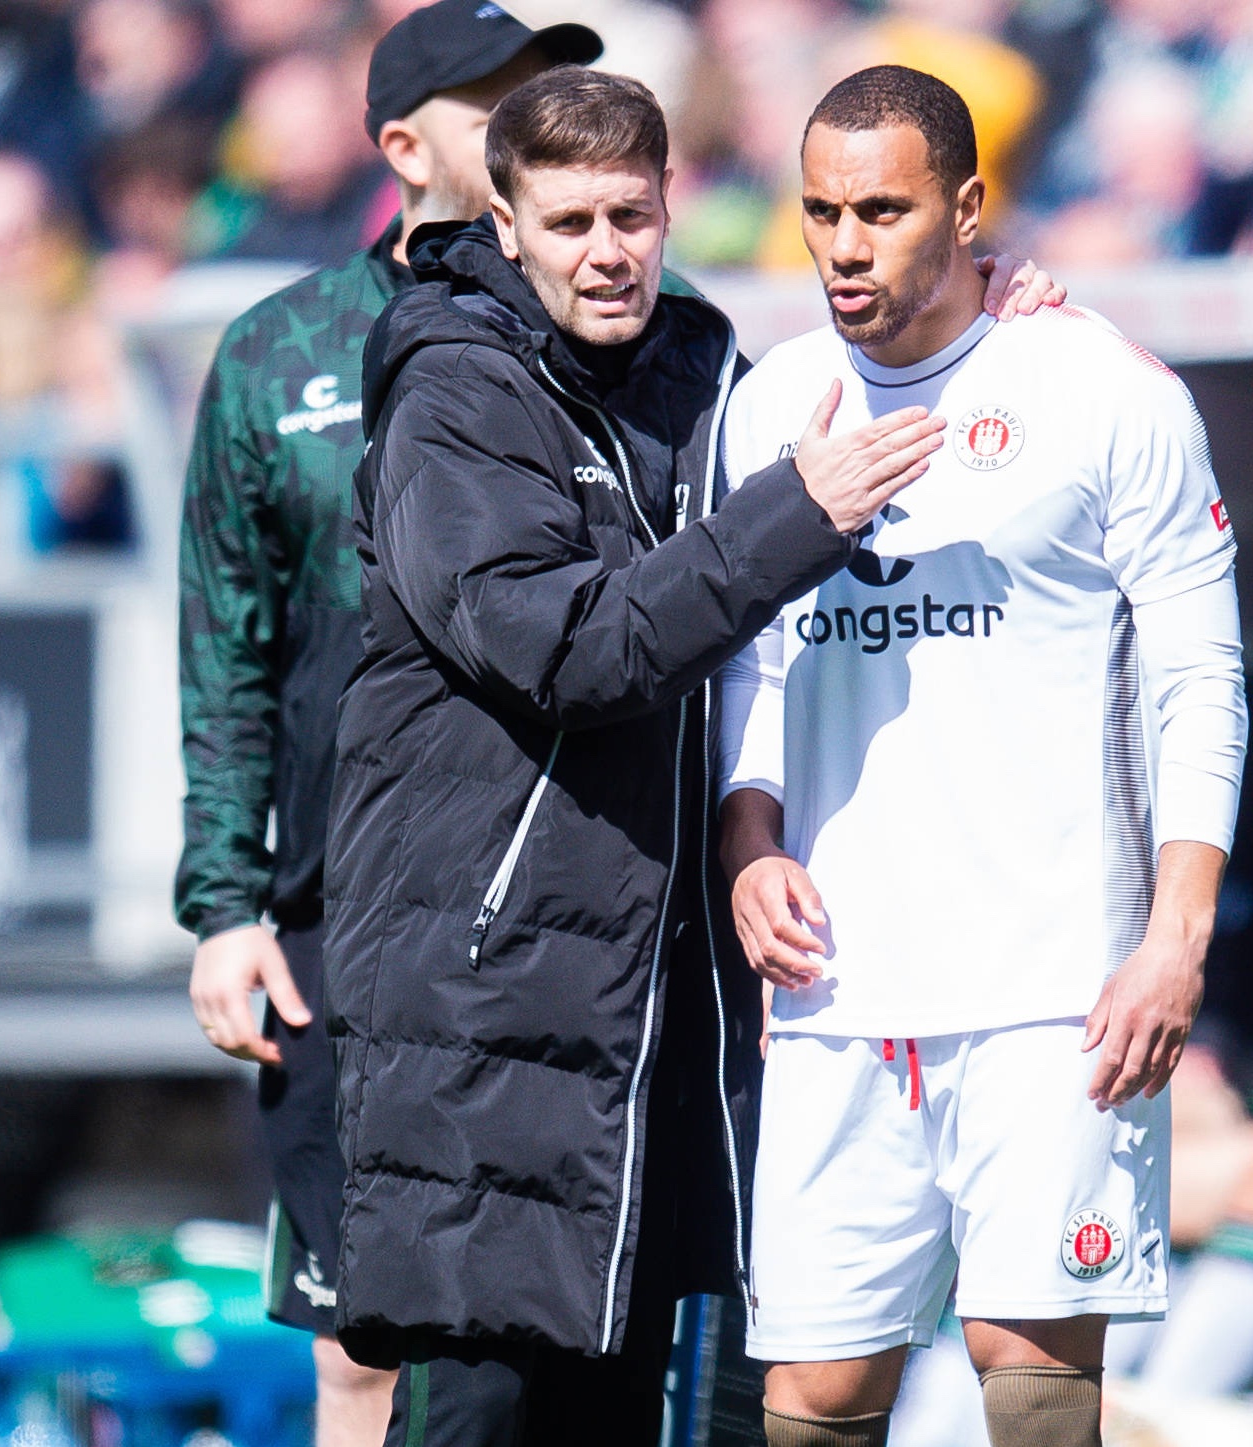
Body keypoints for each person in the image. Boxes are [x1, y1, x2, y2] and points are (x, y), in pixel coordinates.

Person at [321, 64, 968, 1447]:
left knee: (613, 1415)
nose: (606, 253)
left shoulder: (698, 367)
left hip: (645, 1009)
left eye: (630, 216)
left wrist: (995, 308)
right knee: (479, 1412)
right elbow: (566, 650)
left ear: (672, 207)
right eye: (568, 224)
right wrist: (799, 516)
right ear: (503, 227)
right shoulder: (453, 398)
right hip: (484, 1002)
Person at [714, 65, 1247, 1447]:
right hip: (836, 978)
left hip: (1054, 983)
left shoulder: (1104, 391)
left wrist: (1175, 938)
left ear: (965, 205)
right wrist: (748, 842)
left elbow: (1202, 675)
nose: (843, 244)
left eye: (882, 210)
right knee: (819, 1387)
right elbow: (745, 664)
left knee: (1028, 1356)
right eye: (822, 210)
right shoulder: (768, 404)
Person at [175, 6, 605, 1444]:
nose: (539, 119)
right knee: (364, 1342)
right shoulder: (276, 354)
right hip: (343, 923)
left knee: (558, 1341)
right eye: (501, 103)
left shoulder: (621, 331)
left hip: (568, 910)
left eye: (553, 92)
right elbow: (228, 648)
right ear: (405, 146)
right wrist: (224, 905)